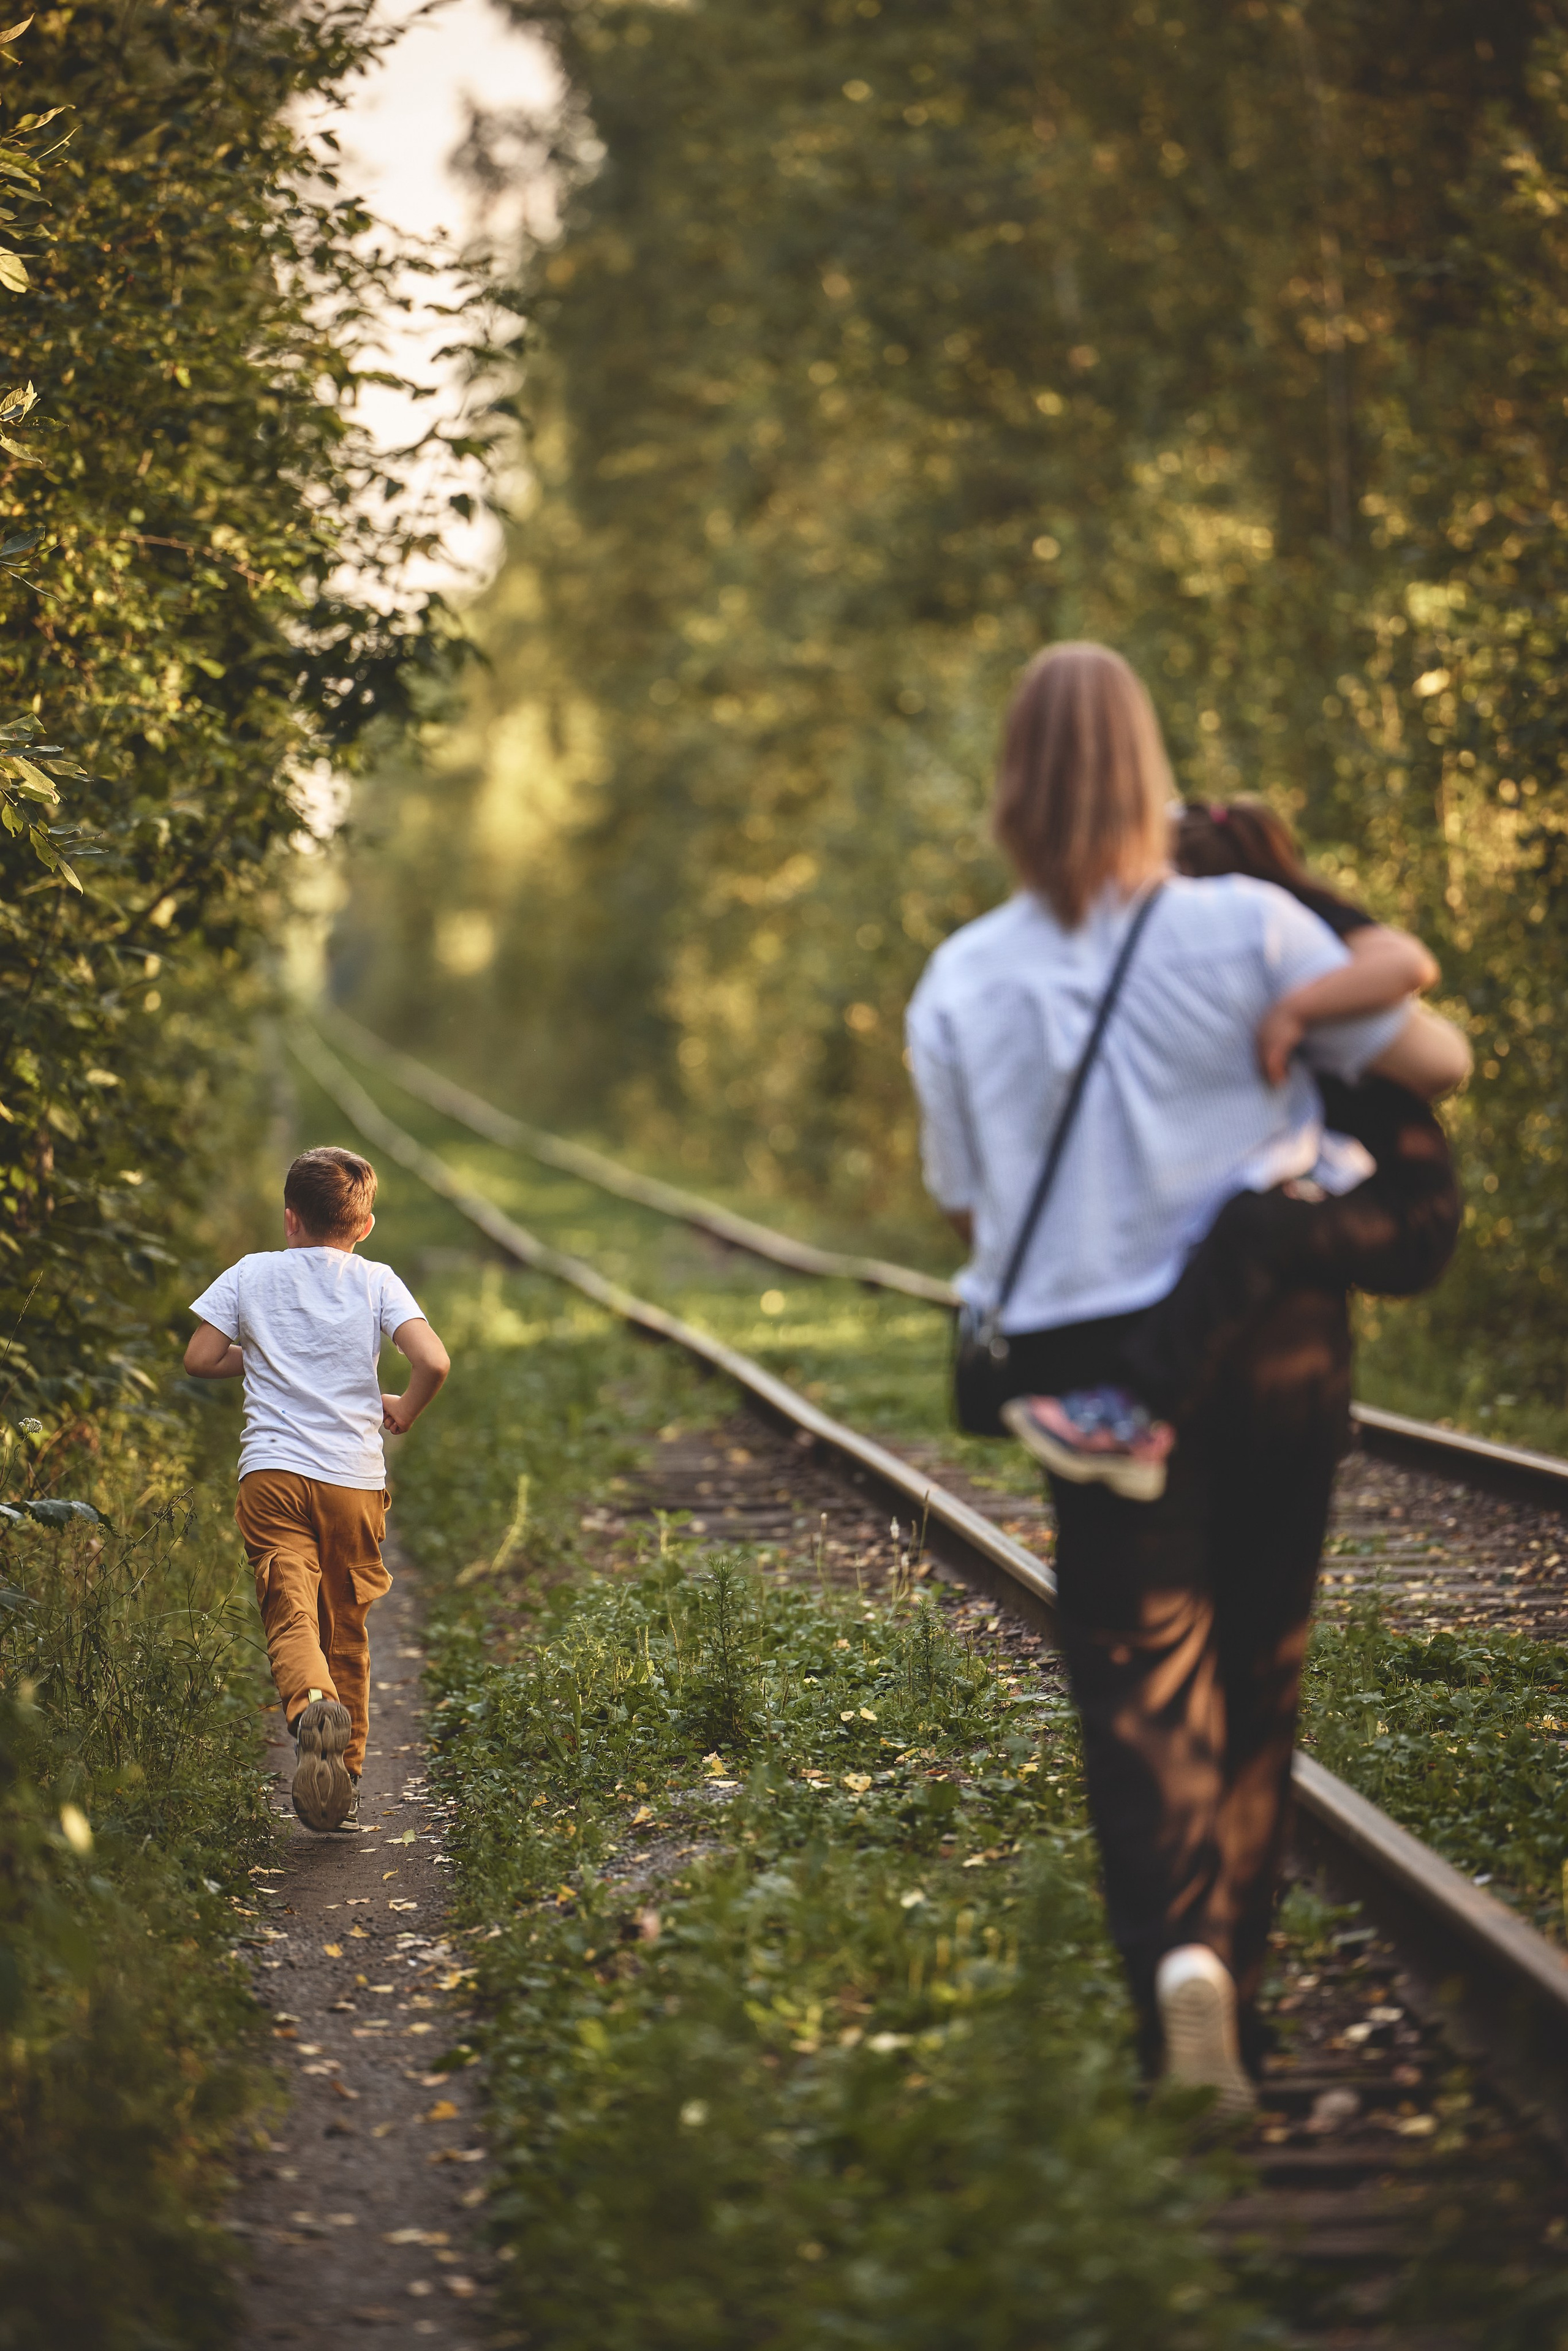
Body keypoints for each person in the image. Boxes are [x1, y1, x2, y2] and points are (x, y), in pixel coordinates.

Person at [905, 642, 1468, 2111]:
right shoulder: (1253, 925)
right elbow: (1428, 1055)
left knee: (1136, 1682)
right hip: (1274, 1343)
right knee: (1255, 1673)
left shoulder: (961, 977)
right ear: (1149, 770)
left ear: (1010, 786)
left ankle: (1176, 1977)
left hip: (1093, 1367)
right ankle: (1241, 1976)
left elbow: (969, 1212)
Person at [1004, 798, 1464, 1497]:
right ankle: (1301, 1417)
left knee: (1254, 1225)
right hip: (1356, 1188)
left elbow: (1411, 974)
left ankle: (1134, 1407)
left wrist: (1295, 1011)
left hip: (1405, 1203)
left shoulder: (1298, 933)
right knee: (1247, 1230)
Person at [184, 1146, 450, 1833]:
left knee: (289, 1605)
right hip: (353, 1481)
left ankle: (309, 1706)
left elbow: (200, 1357)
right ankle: (346, 1772)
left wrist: (267, 1354)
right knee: (348, 1624)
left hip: (272, 1475)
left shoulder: (251, 1273)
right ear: (363, 1226)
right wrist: (405, 1410)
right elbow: (433, 1360)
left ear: (289, 1218)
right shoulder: (377, 1280)